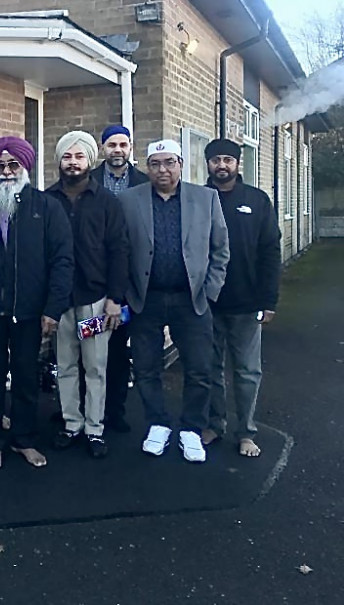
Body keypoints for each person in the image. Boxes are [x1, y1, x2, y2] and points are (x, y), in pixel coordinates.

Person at [117, 139, 229, 463]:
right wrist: (126, 291)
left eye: (169, 162)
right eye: (155, 163)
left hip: (191, 299)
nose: (162, 169)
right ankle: (157, 424)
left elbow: (221, 249)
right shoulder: (128, 200)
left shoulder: (206, 198)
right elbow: (120, 249)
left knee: (199, 368)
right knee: (147, 367)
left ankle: (192, 428)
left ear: (180, 163)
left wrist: (210, 291)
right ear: (147, 167)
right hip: (145, 299)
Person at [0, 136, 73, 469]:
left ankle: (24, 439)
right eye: (0, 165)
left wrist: (53, 309)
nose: (7, 171)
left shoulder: (46, 206)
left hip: (29, 311)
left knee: (26, 378)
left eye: (14, 165)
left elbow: (63, 260)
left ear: (26, 167)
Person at [45, 131, 128, 459]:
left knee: (95, 367)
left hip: (95, 298)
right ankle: (71, 423)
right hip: (60, 300)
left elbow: (120, 250)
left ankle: (95, 429)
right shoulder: (47, 199)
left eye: (79, 157)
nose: (73, 162)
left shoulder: (107, 201)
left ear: (91, 160)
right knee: (65, 365)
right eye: (67, 156)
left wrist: (114, 298)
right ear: (60, 160)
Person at [203, 138, 281, 458]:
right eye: (215, 160)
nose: (222, 165)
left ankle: (246, 432)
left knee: (248, 371)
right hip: (207, 302)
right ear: (207, 163)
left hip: (247, 302)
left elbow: (270, 252)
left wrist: (269, 300)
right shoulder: (198, 198)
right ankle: (214, 424)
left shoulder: (257, 200)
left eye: (228, 159)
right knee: (210, 369)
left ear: (238, 163)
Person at [89, 125, 150, 433]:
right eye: (111, 144)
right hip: (92, 281)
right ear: (103, 149)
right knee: (87, 349)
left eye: (123, 144)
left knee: (116, 351)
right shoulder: (89, 181)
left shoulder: (144, 183)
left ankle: (115, 412)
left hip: (127, 284)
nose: (117, 149)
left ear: (130, 148)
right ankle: (87, 412)